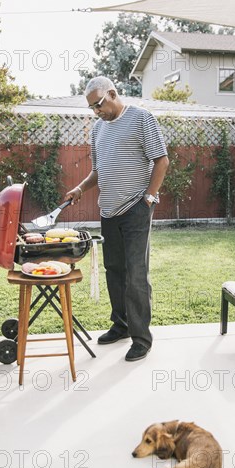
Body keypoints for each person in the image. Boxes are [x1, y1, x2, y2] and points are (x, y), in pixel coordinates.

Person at [65, 76, 169, 361]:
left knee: (136, 274)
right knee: (115, 270)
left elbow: (162, 160)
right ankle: (121, 325)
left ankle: (141, 338)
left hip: (136, 207)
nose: (96, 111)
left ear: (112, 93)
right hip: (108, 211)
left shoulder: (141, 118)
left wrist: (149, 198)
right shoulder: (98, 129)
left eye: (98, 104)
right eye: (91, 108)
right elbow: (98, 171)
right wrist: (79, 188)